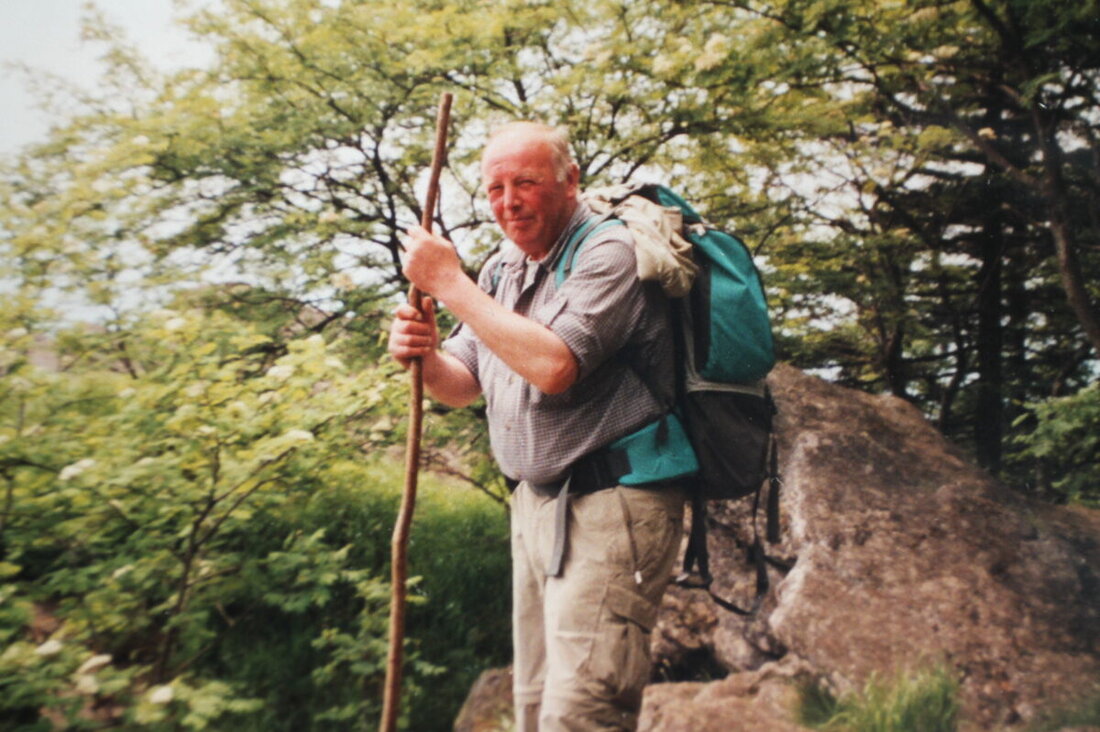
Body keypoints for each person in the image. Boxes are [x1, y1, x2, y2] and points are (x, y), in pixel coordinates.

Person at [388, 121, 686, 731]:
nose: (508, 201)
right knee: (533, 708)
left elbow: (555, 365)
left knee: (582, 715)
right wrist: (421, 355)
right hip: (536, 509)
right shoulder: (506, 268)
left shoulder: (610, 252)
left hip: (615, 504)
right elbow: (462, 384)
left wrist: (448, 282)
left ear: (569, 180)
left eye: (525, 182)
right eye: (494, 188)